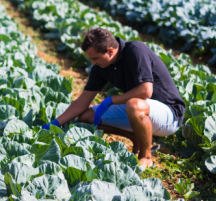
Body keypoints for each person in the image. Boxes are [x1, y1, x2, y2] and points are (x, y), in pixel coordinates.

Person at [43, 28, 185, 167]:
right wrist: (55, 123)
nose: (93, 63)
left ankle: (146, 156)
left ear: (110, 51)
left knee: (134, 105)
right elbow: (82, 101)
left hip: (168, 115)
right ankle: (135, 136)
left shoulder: (136, 50)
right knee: (86, 117)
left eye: (95, 58)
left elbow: (145, 91)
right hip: (140, 111)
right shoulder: (100, 67)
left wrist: (110, 100)